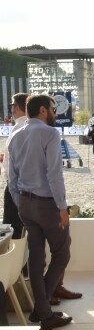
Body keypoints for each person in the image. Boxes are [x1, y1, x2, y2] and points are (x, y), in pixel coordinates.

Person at [7, 94, 73, 330]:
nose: (55, 112)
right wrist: (62, 207)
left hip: (25, 203)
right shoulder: (50, 133)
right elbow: (54, 174)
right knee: (62, 253)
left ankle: (42, 311)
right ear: (43, 110)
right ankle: (42, 310)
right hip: (47, 205)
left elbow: (10, 176)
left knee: (36, 259)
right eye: (53, 108)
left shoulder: (15, 134)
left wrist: (20, 201)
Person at [2, 92, 28, 238]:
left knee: (12, 228)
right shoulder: (29, 125)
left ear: (16, 107)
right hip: (25, 184)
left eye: (12, 105)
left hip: (15, 184)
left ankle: (17, 261)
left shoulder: (19, 126)